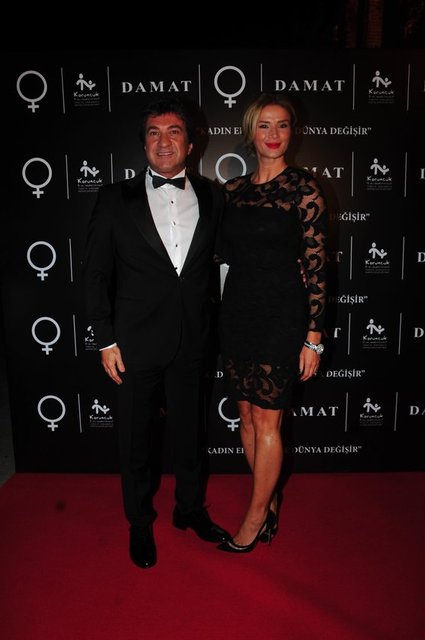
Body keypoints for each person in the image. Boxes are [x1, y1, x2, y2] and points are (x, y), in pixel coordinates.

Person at [83, 97, 229, 569]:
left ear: (191, 143)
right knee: (135, 439)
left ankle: (189, 509)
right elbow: (95, 274)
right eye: (153, 133)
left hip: (193, 339)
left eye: (173, 132)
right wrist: (105, 338)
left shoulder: (213, 196)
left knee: (189, 433)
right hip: (133, 343)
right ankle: (139, 522)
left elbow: (223, 262)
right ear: (144, 144)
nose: (164, 142)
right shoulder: (114, 198)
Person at [216, 92, 327, 553]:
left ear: (292, 132)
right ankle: (271, 499)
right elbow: (214, 253)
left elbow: (317, 267)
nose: (274, 134)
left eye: (282, 125)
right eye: (264, 125)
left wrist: (313, 336)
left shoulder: (304, 189)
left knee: (268, 420)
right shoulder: (232, 191)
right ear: (250, 132)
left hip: (281, 314)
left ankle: (256, 515)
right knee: (245, 414)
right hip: (236, 312)